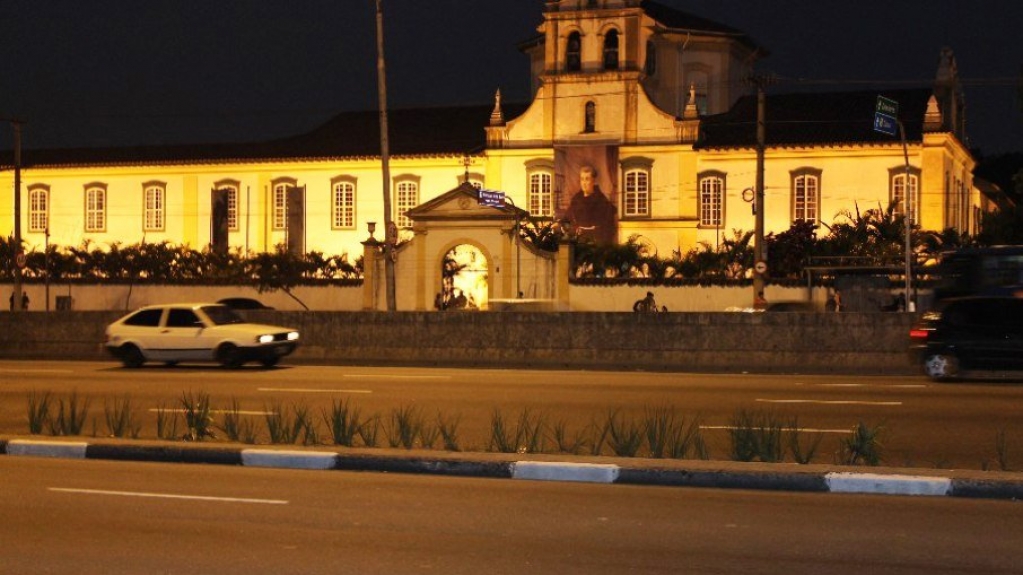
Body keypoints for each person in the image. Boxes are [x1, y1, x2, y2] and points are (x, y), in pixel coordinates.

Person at [563, 165, 617, 245]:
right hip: (578, 241)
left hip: (595, 242)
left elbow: (608, 228)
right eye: (582, 179)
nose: (584, 183)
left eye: (587, 179)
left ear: (593, 181)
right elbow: (567, 217)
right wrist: (560, 223)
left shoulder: (602, 201)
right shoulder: (576, 199)